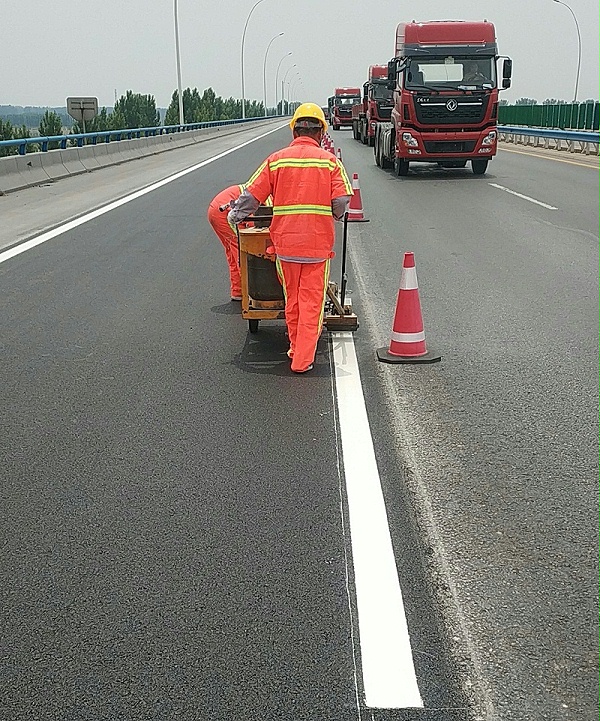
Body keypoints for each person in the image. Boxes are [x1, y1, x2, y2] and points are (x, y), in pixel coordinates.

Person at [228, 102, 353, 374]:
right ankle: (301, 359)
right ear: (321, 132)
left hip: (285, 247)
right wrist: (334, 211)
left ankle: (296, 348)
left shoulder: (277, 160)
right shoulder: (330, 162)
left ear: (294, 131)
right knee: (311, 302)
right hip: (317, 247)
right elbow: (341, 201)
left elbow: (251, 195)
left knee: (293, 299)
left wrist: (235, 215)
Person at [207, 184, 272, 301]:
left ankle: (238, 291)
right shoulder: (269, 199)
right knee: (244, 250)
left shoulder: (265, 189)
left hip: (217, 209)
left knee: (232, 250)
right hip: (225, 211)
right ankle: (251, 293)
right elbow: (255, 228)